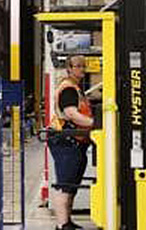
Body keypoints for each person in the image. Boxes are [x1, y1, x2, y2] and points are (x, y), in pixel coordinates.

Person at [48, 55, 94, 230]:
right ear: (69, 68)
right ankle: (61, 224)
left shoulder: (76, 88)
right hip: (66, 140)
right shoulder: (68, 89)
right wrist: (94, 123)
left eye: (83, 66)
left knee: (72, 183)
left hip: (74, 140)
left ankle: (67, 220)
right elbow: (71, 114)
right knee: (65, 183)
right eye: (78, 66)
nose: (82, 69)